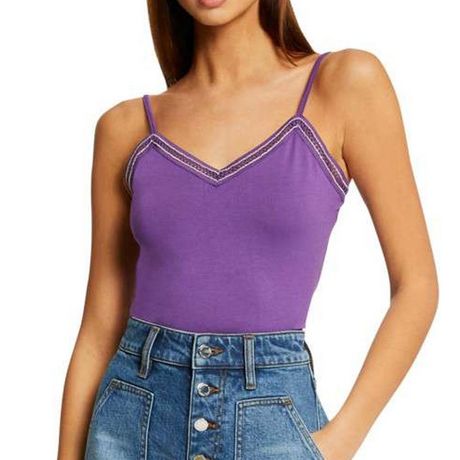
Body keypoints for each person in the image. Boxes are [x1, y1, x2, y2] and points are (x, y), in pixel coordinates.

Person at [57, 1, 439, 459]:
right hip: (130, 424)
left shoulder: (343, 85)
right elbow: (99, 330)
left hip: (272, 425)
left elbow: (417, 285)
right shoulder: (125, 129)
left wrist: (339, 443)